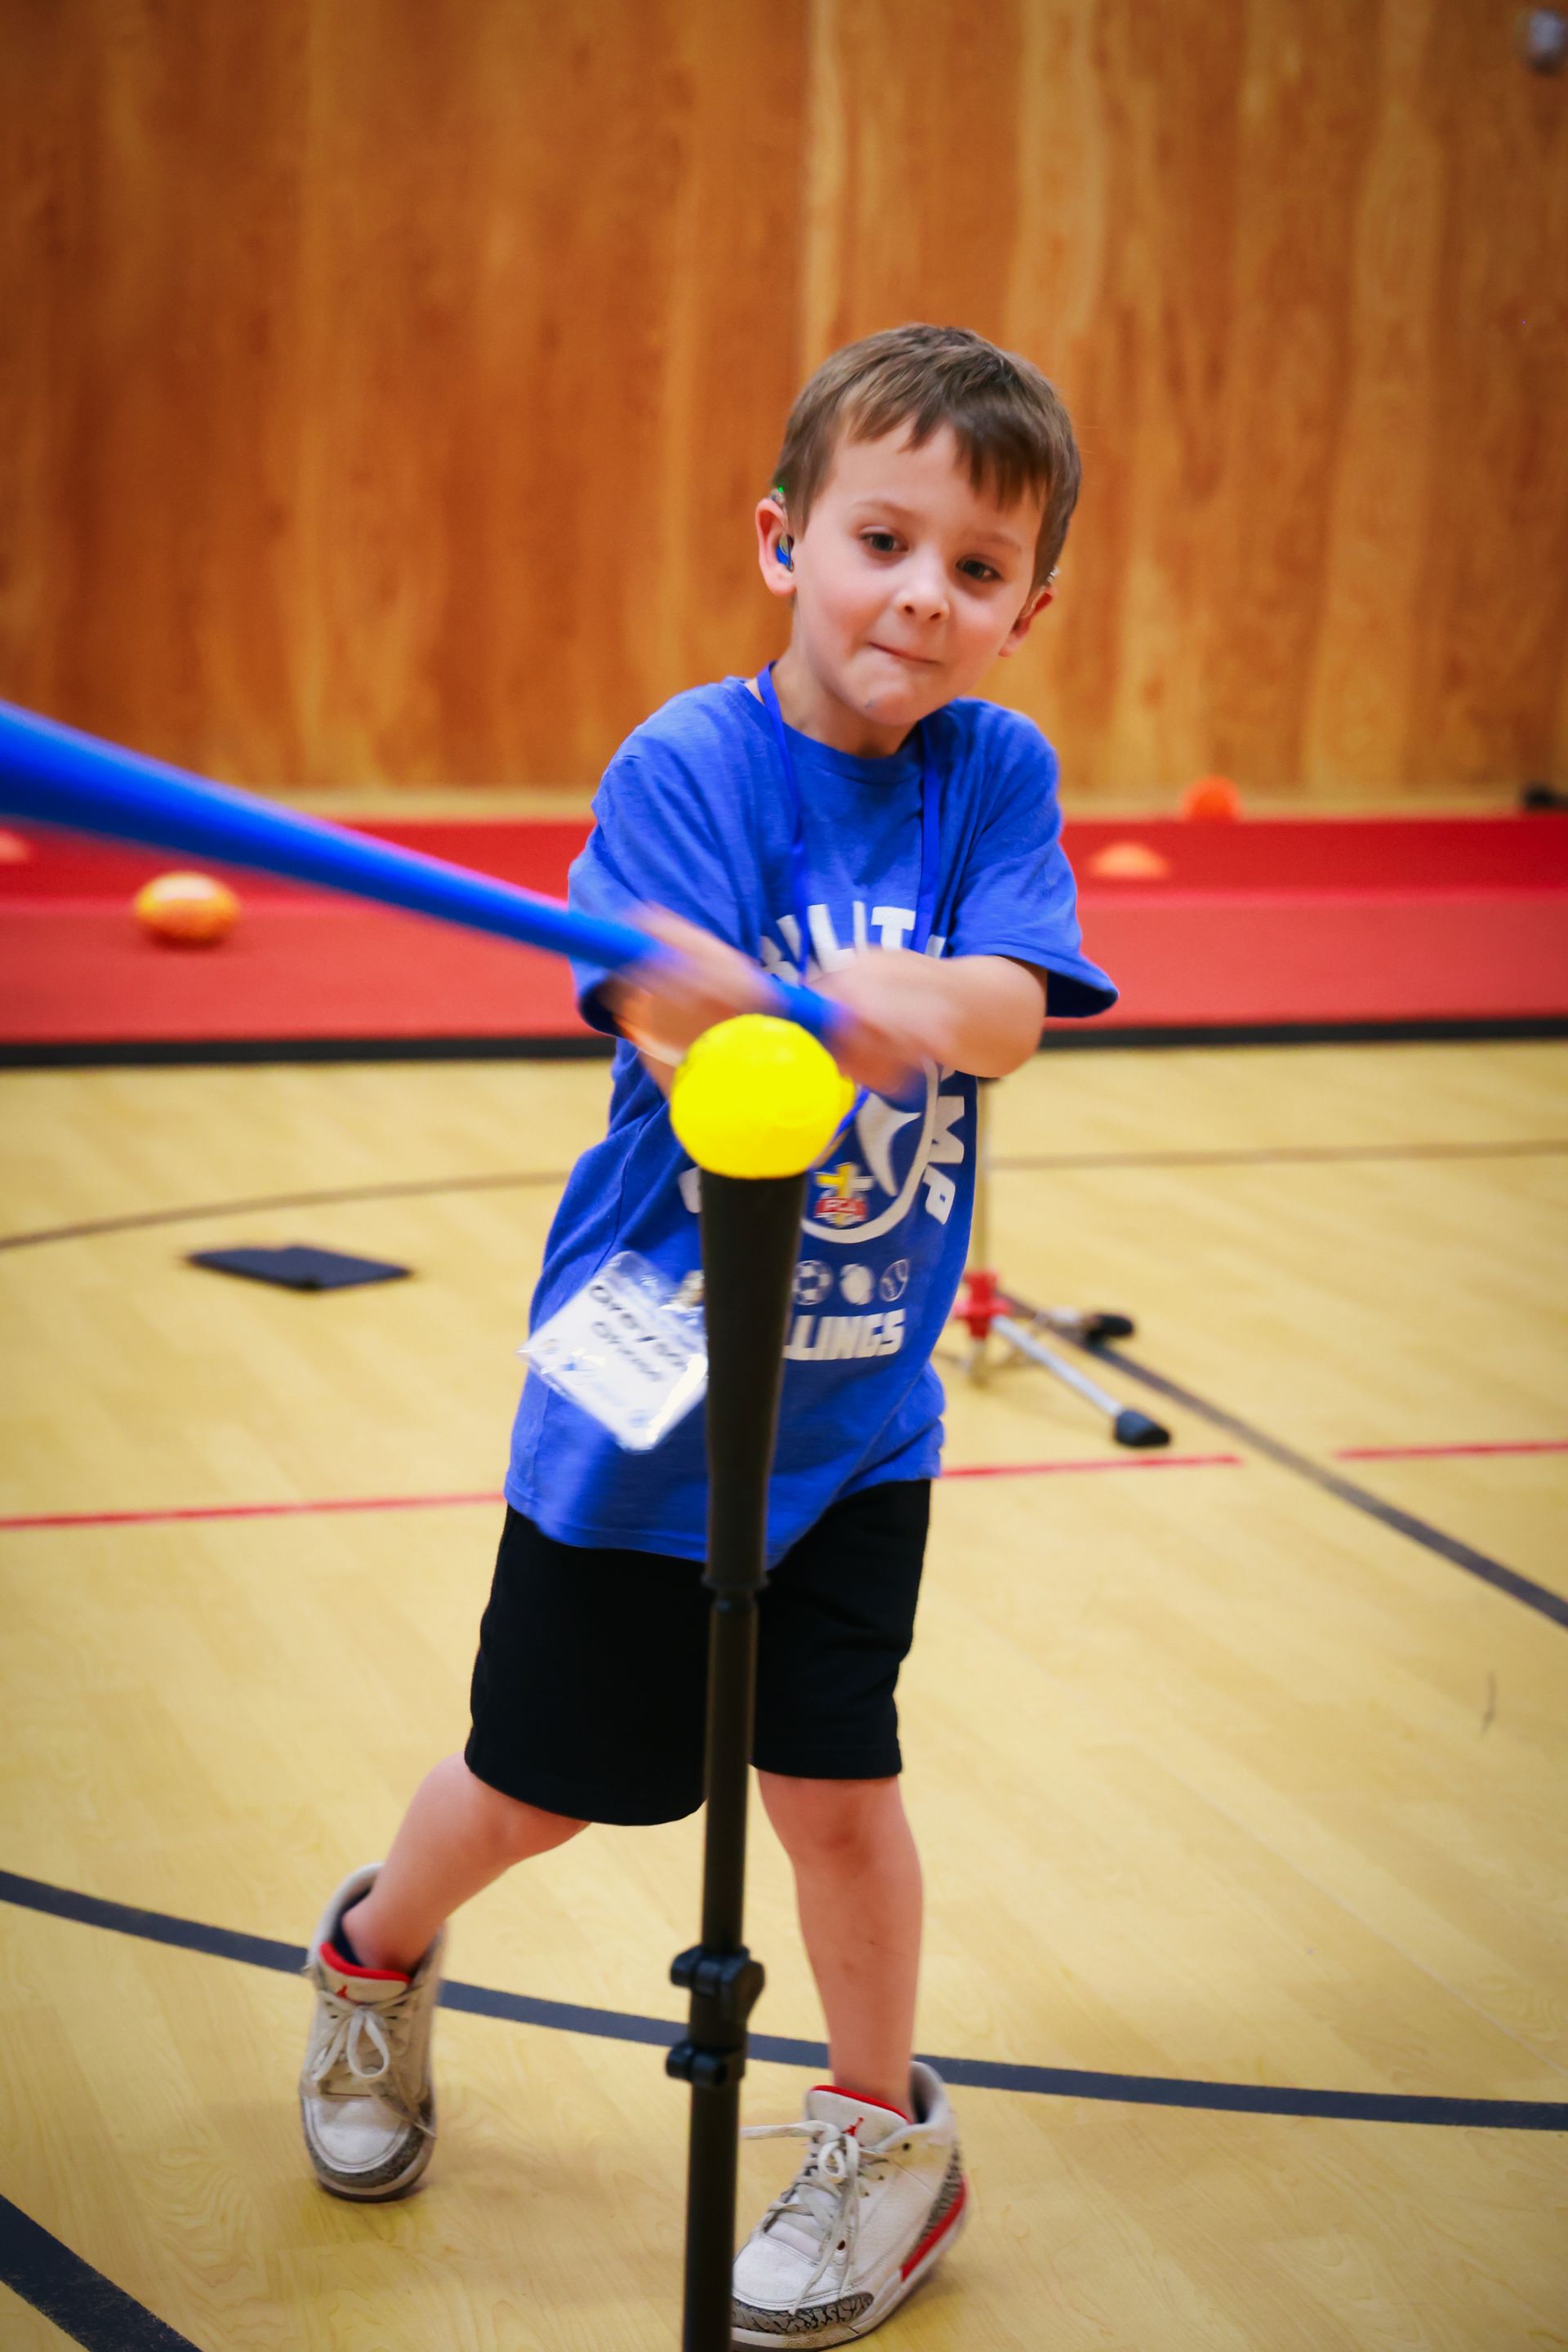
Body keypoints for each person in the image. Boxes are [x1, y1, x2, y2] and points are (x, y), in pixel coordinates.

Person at [298, 322, 1115, 2346]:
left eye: (978, 567)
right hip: (644, 1409)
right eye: (882, 540)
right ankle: (374, 1960)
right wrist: (753, 1005)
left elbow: (1017, 1008)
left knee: (836, 1793)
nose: (921, 594)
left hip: (857, 1423)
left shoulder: (992, 778)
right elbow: (668, 1008)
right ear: (783, 542)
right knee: (538, 1787)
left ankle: (877, 2133)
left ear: (1026, 610)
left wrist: (918, 1000)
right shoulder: (686, 763)